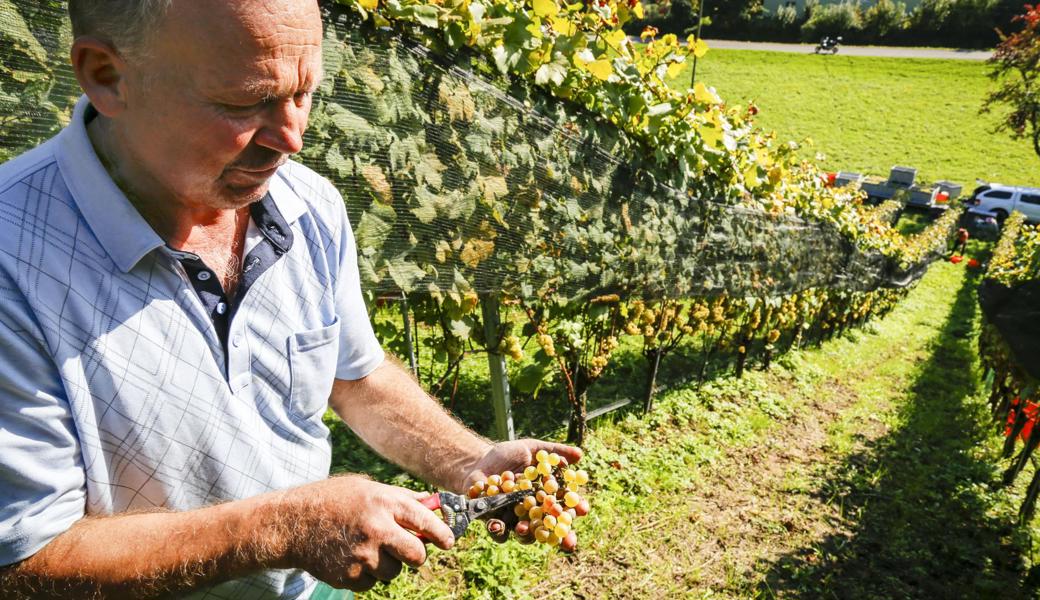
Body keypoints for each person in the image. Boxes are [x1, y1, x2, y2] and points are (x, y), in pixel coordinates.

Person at [0, 1, 581, 598]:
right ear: (106, 75)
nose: (293, 138)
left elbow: (356, 378)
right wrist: (284, 528)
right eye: (245, 101)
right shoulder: (12, 259)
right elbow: (24, 560)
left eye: (304, 92)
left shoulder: (309, 206)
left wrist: (471, 464)